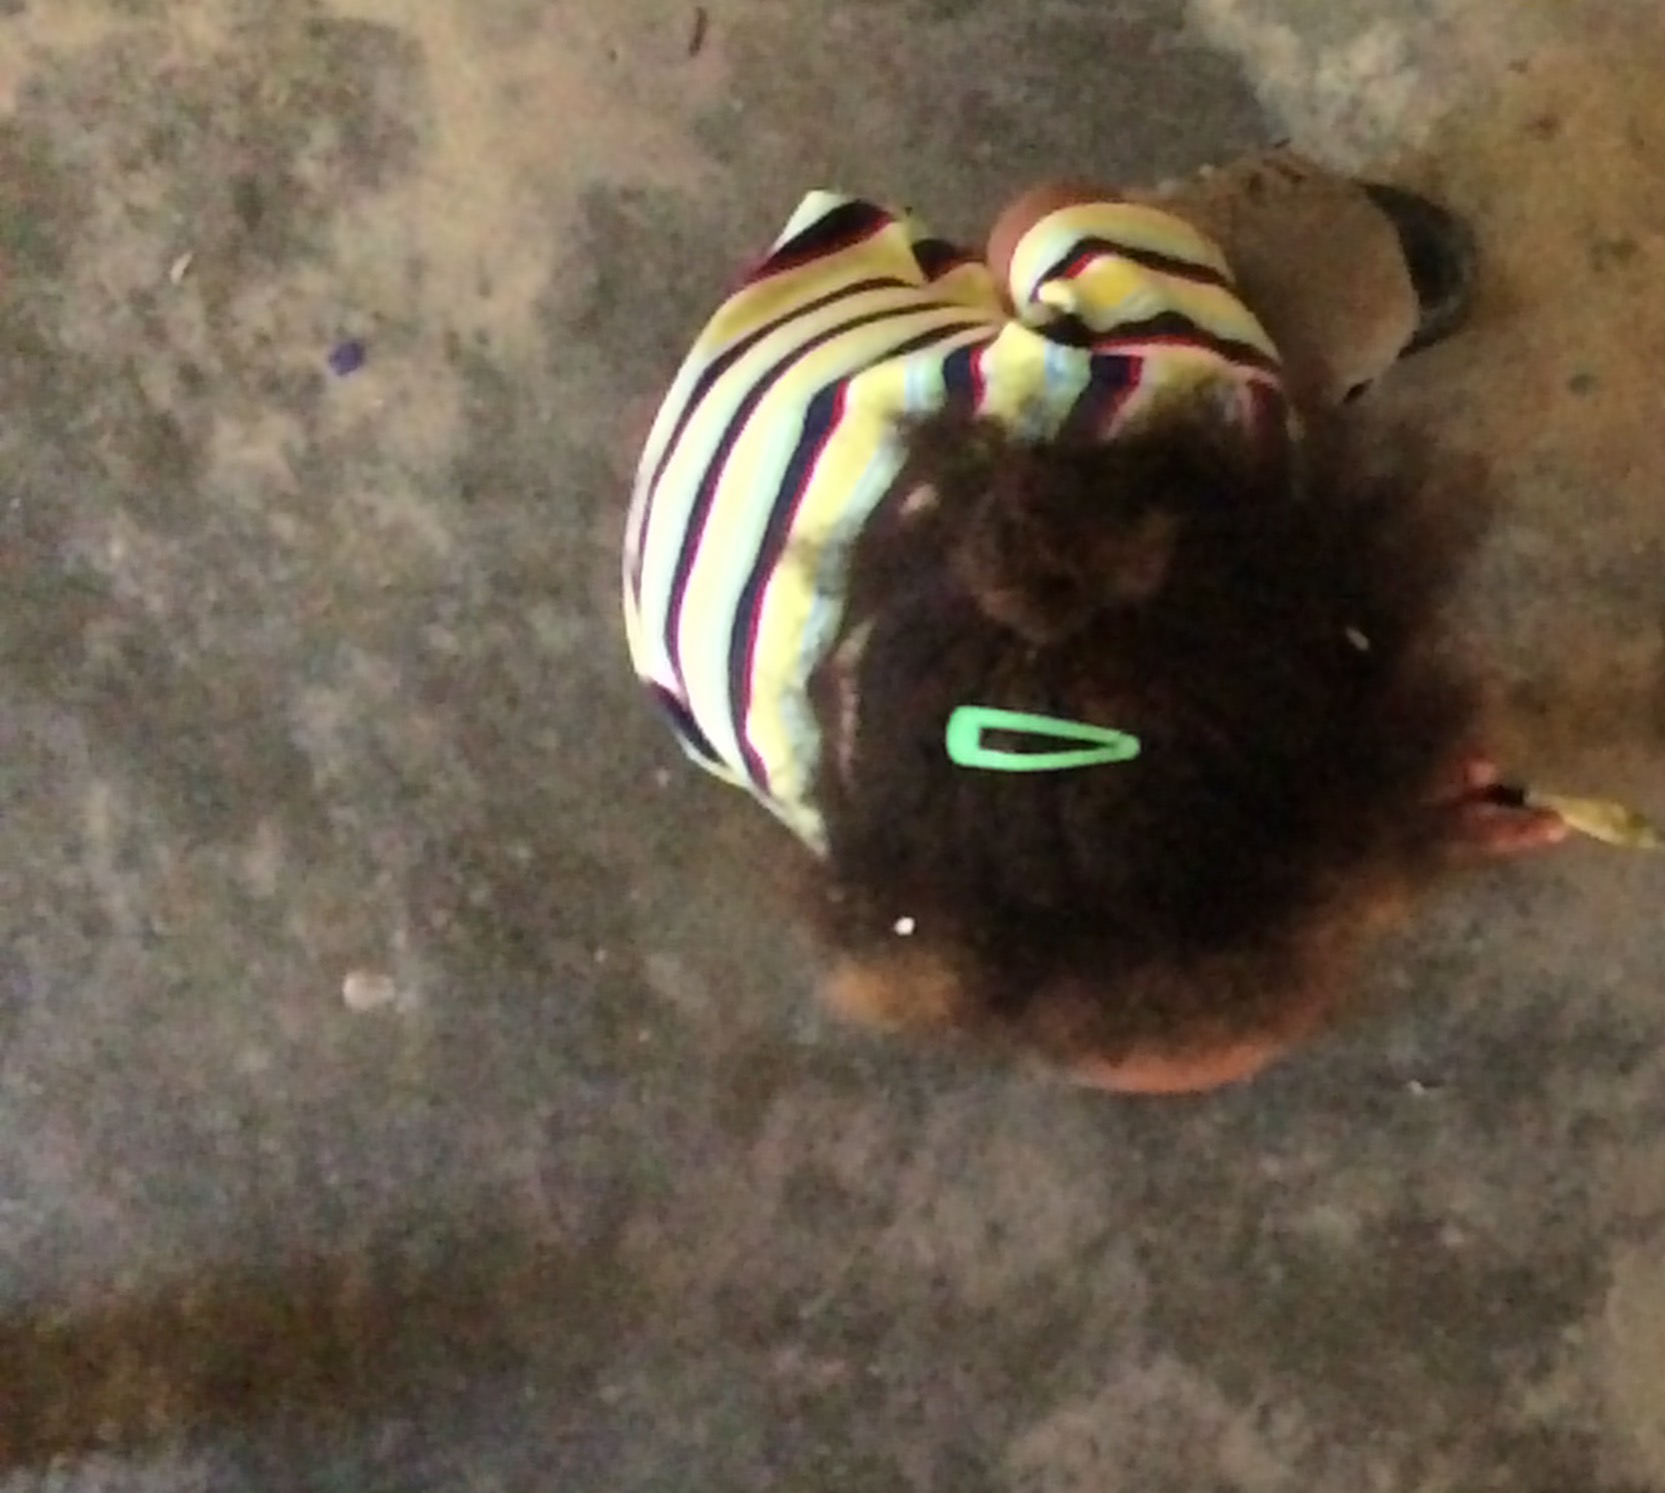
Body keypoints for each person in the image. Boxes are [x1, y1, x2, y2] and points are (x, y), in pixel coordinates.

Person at [622, 153, 1561, 1094]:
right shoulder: (859, 788)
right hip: (716, 546)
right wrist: (1375, 813)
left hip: (827, 357)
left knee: (1319, 264)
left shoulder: (1177, 389)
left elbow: (1042, 215)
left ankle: (1278, 264)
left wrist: (1373, 794)